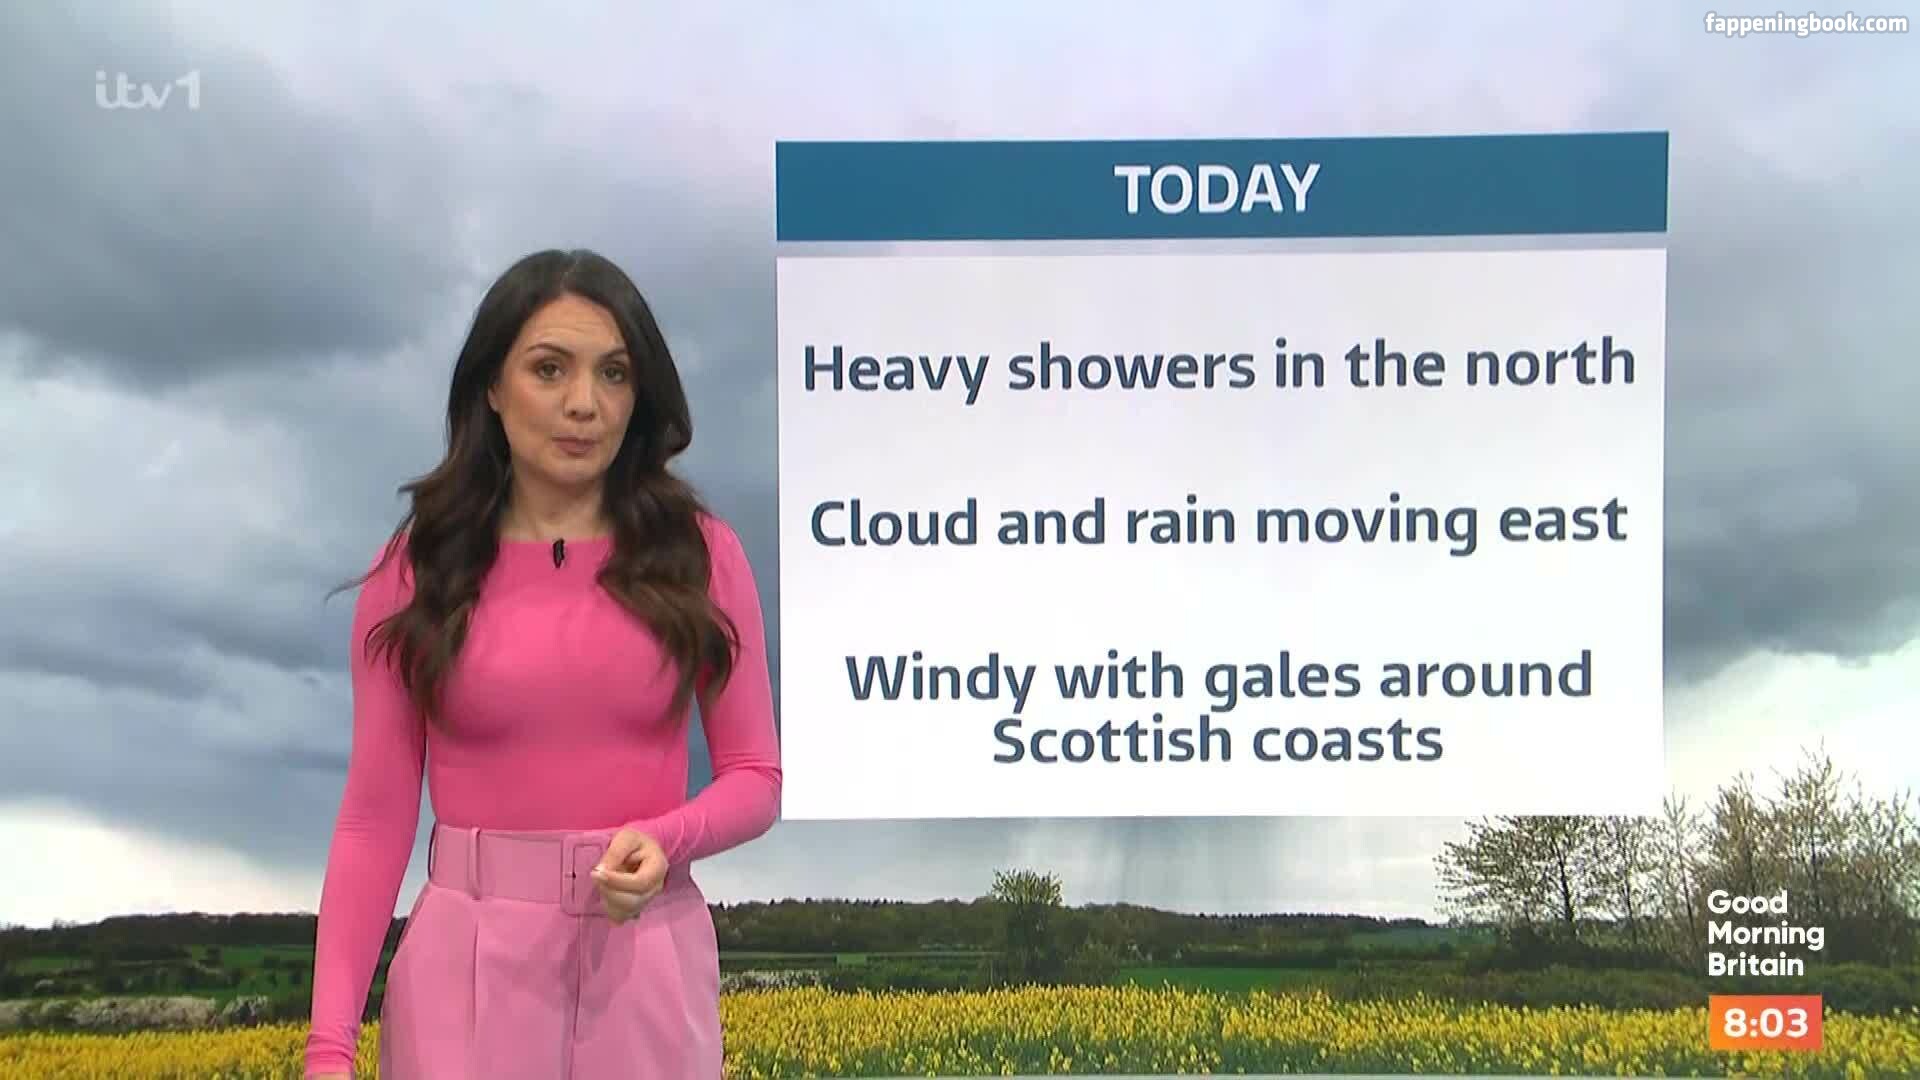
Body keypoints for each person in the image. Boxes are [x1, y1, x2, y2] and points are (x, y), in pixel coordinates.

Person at [302, 249, 782, 1079]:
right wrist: (328, 1051)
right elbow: (374, 820)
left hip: (646, 962)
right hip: (462, 975)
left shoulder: (703, 558)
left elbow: (756, 776)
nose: (584, 403)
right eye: (550, 369)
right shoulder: (413, 573)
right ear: (492, 386)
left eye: (614, 373)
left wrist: (667, 840)